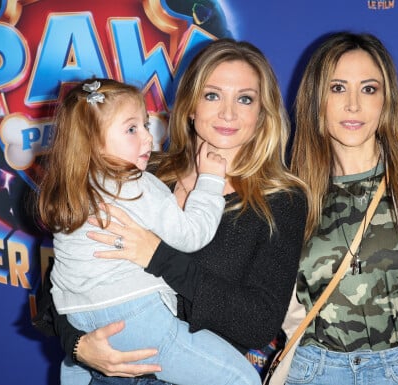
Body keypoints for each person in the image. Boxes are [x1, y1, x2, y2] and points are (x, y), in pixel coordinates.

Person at [33, 39, 308, 384]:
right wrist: (78, 347)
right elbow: (62, 281)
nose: (228, 113)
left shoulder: (281, 199)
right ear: (190, 106)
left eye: (245, 98)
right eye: (212, 95)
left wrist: (157, 255)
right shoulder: (141, 172)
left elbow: (257, 323)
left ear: (262, 113)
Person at [284, 31, 398, 385]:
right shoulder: (290, 192)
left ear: (386, 101)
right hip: (313, 371)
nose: (353, 105)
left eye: (369, 89)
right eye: (337, 88)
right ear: (315, 98)